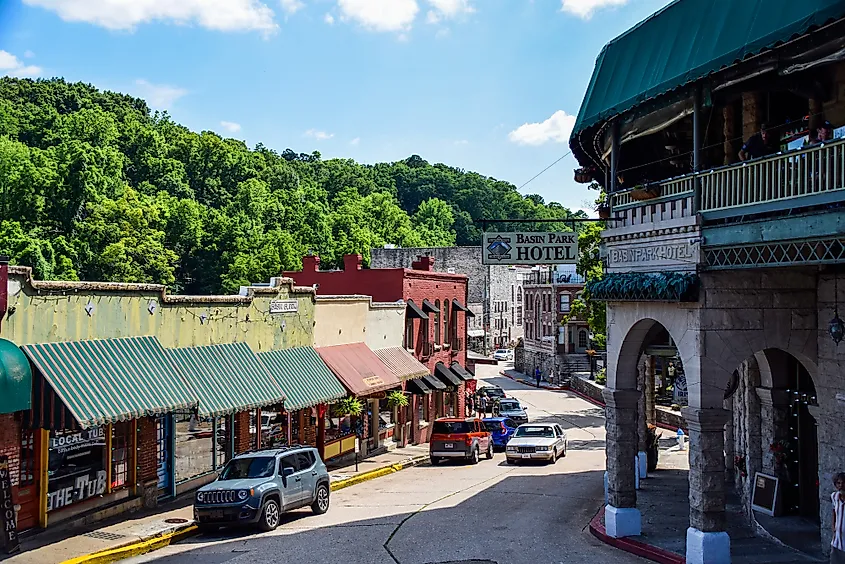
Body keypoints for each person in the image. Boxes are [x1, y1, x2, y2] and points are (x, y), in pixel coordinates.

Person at [831, 472, 845, 564]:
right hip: (837, 541)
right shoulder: (834, 497)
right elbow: (834, 512)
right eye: (838, 483)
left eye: (843, 483)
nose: (841, 486)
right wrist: (833, 526)